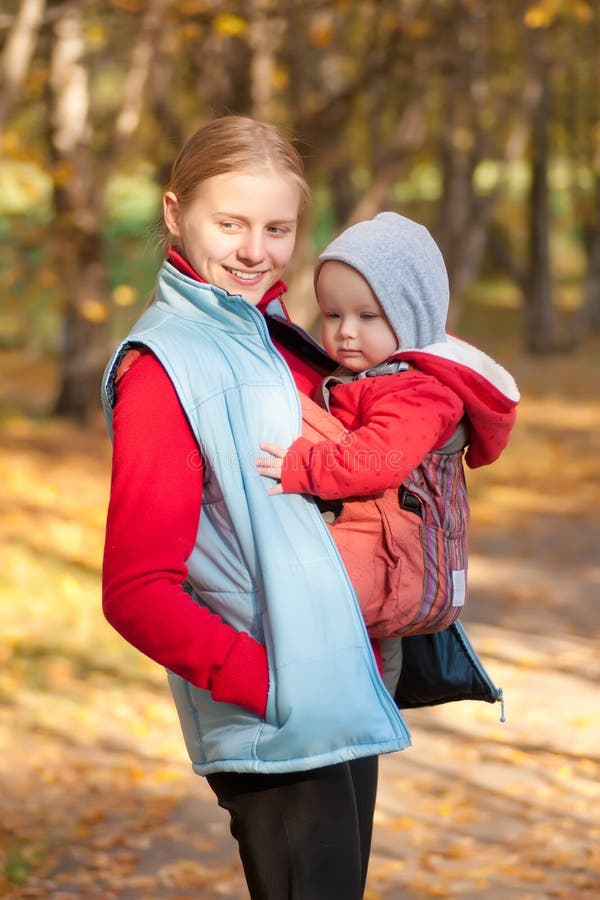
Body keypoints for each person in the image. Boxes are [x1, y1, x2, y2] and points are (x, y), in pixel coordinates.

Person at [101, 120, 508, 900]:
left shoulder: (283, 338)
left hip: (343, 684)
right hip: (283, 711)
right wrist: (268, 683)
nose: (255, 250)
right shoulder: (163, 368)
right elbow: (137, 589)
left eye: (277, 228)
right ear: (175, 213)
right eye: (230, 224)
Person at [256, 212, 520, 638]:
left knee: (280, 594)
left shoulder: (419, 393)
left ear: (410, 315)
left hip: (407, 572)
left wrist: (301, 465)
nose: (345, 332)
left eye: (367, 316)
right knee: (379, 676)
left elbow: (375, 461)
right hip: (393, 561)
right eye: (333, 314)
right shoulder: (378, 378)